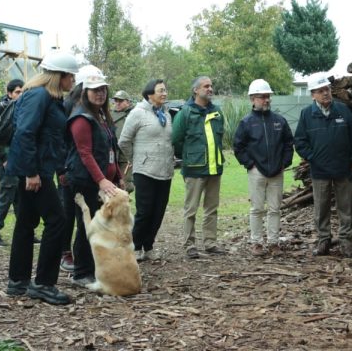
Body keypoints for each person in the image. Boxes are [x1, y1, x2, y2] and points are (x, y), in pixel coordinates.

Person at [5, 51, 78, 305]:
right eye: (72, 76)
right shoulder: (39, 96)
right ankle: (44, 284)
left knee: (26, 221)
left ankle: (18, 281)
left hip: (38, 168)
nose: (73, 81)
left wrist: (58, 169)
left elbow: (49, 138)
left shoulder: (49, 97)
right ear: (60, 76)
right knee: (57, 220)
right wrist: (32, 172)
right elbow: (25, 133)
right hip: (34, 170)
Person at [294, 73, 352, 258]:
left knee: (346, 207)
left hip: (343, 168)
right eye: (320, 91)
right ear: (313, 95)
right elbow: (300, 141)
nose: (325, 93)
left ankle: (346, 242)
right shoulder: (306, 114)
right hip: (320, 170)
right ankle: (323, 241)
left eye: (327, 89)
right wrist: (312, 156)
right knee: (321, 208)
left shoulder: (342, 111)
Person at [66, 71, 122, 288]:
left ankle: (93, 268)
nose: (100, 94)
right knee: (86, 226)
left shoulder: (102, 115)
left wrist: (117, 175)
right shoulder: (81, 117)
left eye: (103, 89)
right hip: (84, 181)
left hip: (103, 181)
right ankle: (81, 273)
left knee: (100, 226)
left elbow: (110, 148)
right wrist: (101, 180)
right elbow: (85, 153)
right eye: (95, 90)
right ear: (85, 91)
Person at [233, 79, 294, 257]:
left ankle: (274, 243)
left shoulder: (279, 121)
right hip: (256, 171)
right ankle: (256, 243)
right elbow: (238, 147)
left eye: (268, 96)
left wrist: (285, 163)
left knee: (275, 209)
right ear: (252, 99)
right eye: (262, 97)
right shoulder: (246, 122)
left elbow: (289, 143)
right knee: (257, 209)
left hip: (277, 171)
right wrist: (250, 164)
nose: (266, 100)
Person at [118, 79, 174, 262]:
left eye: (165, 90)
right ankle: (134, 247)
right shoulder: (137, 113)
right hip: (144, 170)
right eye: (160, 91)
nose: (164, 94)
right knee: (145, 211)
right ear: (150, 94)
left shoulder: (166, 114)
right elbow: (124, 141)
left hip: (165, 170)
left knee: (159, 211)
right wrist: (134, 159)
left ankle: (148, 246)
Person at [171, 76, 226, 259]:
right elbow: (176, 140)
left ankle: (210, 243)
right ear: (196, 90)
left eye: (211, 85)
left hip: (214, 168)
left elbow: (220, 137)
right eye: (206, 86)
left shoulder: (217, 111)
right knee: (191, 209)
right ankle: (189, 245)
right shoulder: (185, 113)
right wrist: (188, 157)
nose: (210, 89)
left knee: (212, 208)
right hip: (194, 169)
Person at [58, 64, 103, 273]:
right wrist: (61, 170)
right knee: (71, 215)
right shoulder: (71, 108)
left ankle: (86, 261)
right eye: (95, 88)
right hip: (73, 171)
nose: (100, 93)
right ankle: (67, 254)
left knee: (84, 217)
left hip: (87, 173)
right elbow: (65, 143)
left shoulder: (98, 111)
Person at [0, 79, 24, 248]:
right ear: (9, 93)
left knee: (19, 196)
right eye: (17, 92)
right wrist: (5, 158)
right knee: (6, 195)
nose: (20, 95)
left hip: (15, 159)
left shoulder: (17, 108)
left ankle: (24, 230)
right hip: (4, 160)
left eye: (23, 92)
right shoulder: (2, 109)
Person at [111, 90, 135, 193]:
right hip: (113, 155)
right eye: (116, 100)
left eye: (120, 101)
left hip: (127, 156)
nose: (117, 103)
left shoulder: (134, 114)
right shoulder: (109, 114)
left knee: (126, 185)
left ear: (128, 102)